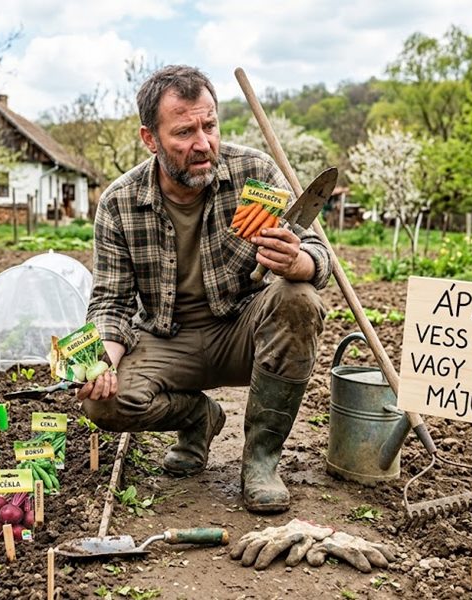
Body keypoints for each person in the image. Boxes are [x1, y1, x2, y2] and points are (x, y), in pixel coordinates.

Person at [77, 65, 333, 513]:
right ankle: (199, 417)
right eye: (184, 131)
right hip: (166, 338)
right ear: (150, 139)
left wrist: (298, 262)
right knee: (102, 406)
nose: (203, 143)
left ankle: (260, 461)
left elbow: (319, 255)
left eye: (209, 125)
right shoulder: (119, 202)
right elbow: (110, 303)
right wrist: (100, 363)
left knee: (300, 297)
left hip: (242, 330)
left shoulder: (254, 172)